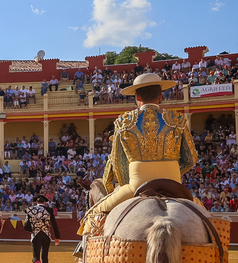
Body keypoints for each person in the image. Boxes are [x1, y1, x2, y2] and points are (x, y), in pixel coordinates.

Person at [81, 72, 199, 234]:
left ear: (137, 96)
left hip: (136, 185)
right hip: (173, 182)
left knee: (93, 216)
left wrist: (122, 186)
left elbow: (118, 164)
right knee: (207, 216)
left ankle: (84, 254)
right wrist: (171, 174)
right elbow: (191, 159)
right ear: (160, 95)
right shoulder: (177, 119)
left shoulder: (124, 122)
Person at [24, 195, 61, 263]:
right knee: (45, 255)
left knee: (36, 256)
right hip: (46, 235)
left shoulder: (30, 210)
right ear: (44, 202)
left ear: (36, 202)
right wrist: (57, 237)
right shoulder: (49, 210)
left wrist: (31, 230)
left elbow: (26, 225)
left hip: (36, 234)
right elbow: (54, 224)